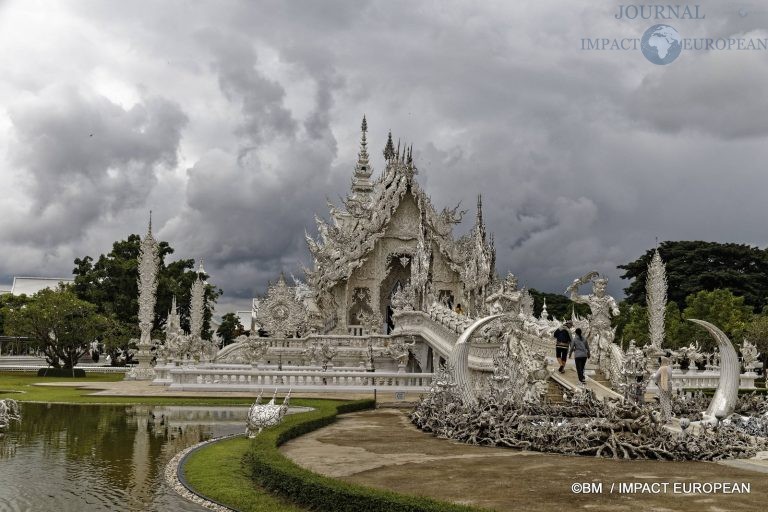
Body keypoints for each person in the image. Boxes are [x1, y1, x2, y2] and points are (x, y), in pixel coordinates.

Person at [652, 357, 672, 423]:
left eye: (660, 361)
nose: (660, 362)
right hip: (669, 384)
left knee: (664, 402)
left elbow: (656, 376)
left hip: (663, 385)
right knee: (665, 400)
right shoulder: (669, 368)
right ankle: (662, 417)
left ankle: (669, 419)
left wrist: (653, 374)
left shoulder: (662, 368)